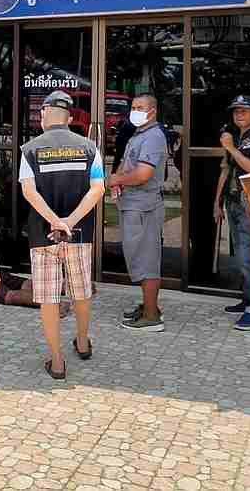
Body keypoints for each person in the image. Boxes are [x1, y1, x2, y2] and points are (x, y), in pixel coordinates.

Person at [19, 90, 105, 380]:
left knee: (48, 298)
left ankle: (56, 362)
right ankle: (82, 342)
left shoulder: (29, 149)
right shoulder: (90, 148)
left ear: (43, 115)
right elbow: (98, 189)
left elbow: (29, 192)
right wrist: (70, 221)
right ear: (70, 118)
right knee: (81, 291)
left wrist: (55, 222)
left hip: (44, 237)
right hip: (79, 235)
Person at [108, 94, 167, 332]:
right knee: (138, 257)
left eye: (140, 108)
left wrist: (117, 179)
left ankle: (151, 316)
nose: (135, 111)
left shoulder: (153, 137)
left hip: (145, 207)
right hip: (133, 204)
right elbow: (126, 161)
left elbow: (143, 174)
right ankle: (148, 305)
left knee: (147, 259)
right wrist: (117, 179)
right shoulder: (139, 134)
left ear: (152, 111)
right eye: (133, 107)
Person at [212, 95, 250, 331]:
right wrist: (217, 202)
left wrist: (231, 148)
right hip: (233, 202)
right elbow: (225, 171)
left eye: (244, 111)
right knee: (239, 253)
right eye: (236, 111)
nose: (239, 115)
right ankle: (247, 298)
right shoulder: (235, 138)